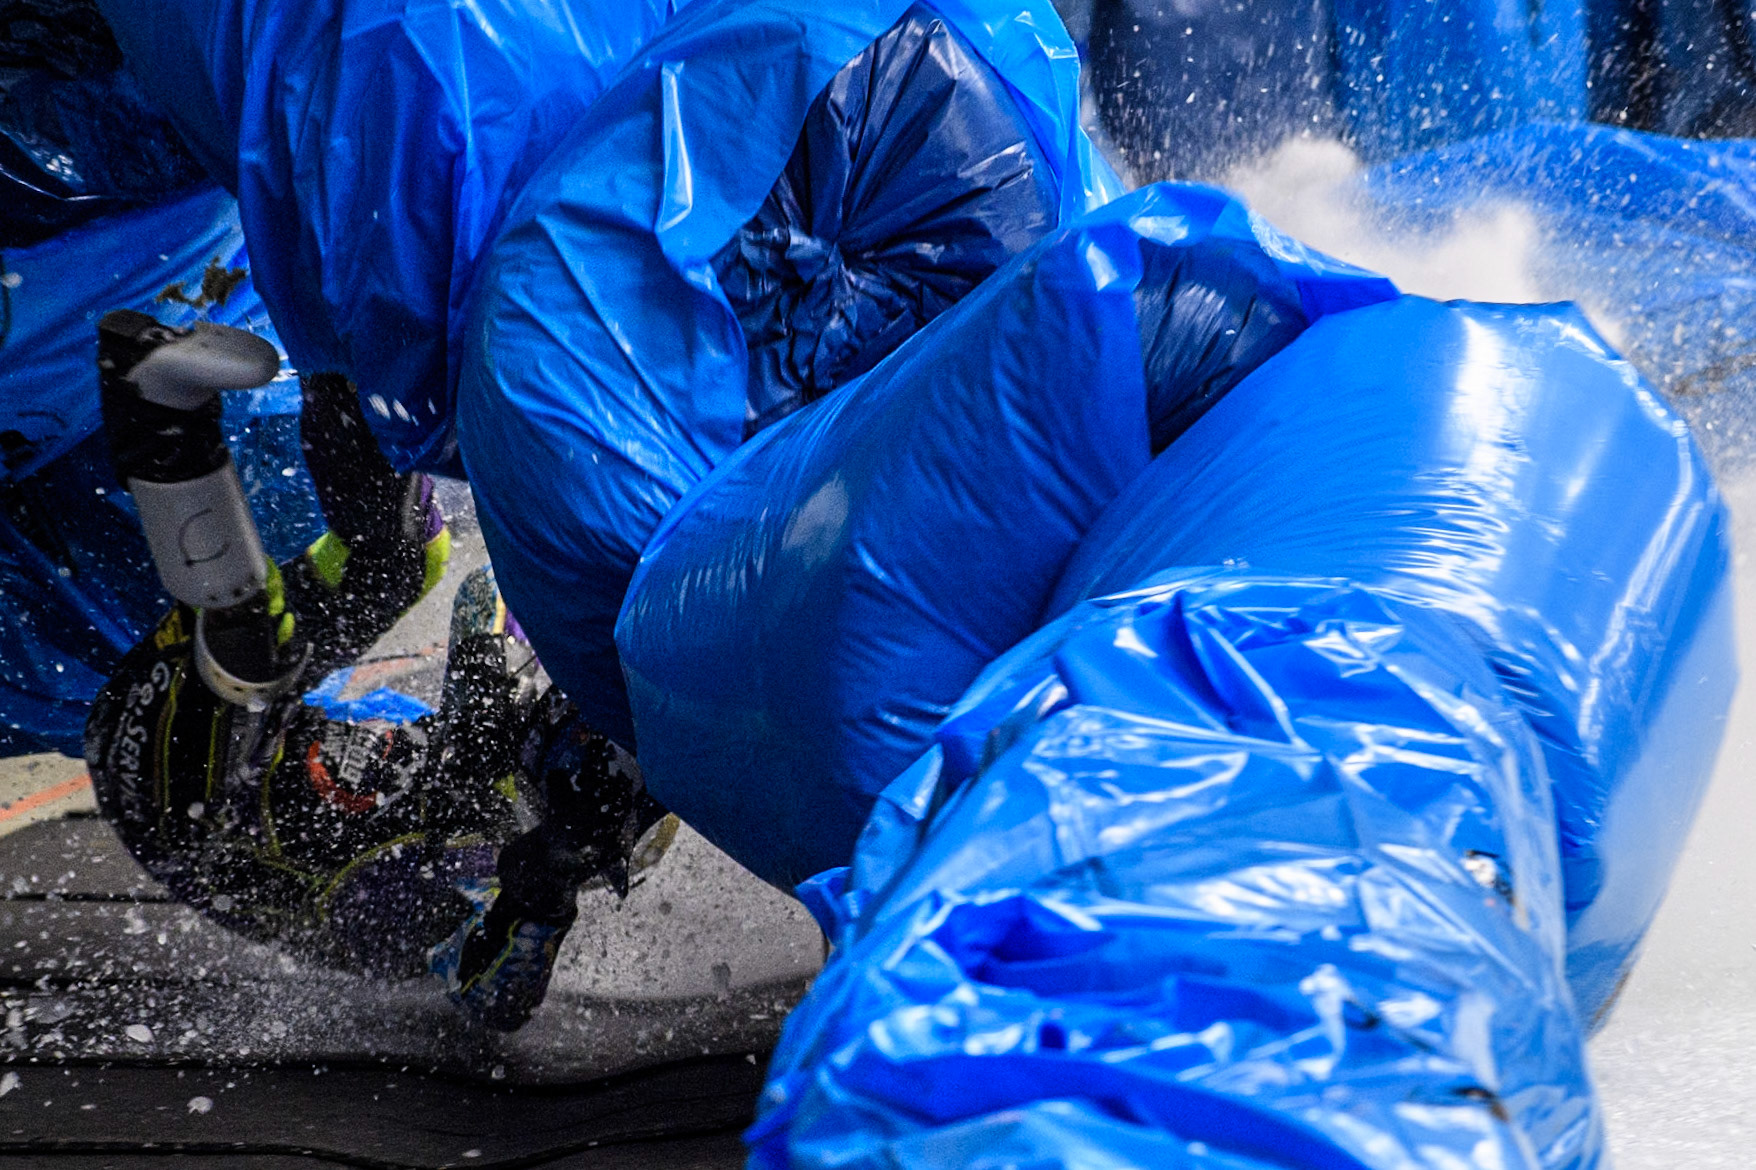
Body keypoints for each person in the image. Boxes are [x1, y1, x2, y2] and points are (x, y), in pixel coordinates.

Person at [85, 349, 671, 1031]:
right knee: (404, 559)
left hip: (177, 806)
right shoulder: (496, 741)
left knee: (255, 649)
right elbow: (494, 592)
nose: (562, 706)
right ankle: (333, 344)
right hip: (260, 716)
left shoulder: (479, 892)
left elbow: (492, 1002)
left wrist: (542, 895)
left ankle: (160, 419)